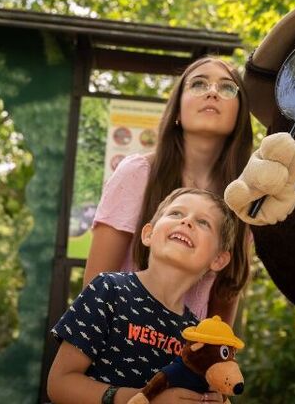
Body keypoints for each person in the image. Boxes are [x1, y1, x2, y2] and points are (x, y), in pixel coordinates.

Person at [83, 56, 253, 324]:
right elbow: (93, 293)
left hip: (187, 351)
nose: (212, 92)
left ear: (240, 115)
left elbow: (222, 310)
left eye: (227, 88)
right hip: (116, 342)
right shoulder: (137, 173)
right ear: (177, 112)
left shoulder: (245, 196)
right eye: (198, 84)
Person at [48, 188, 238, 404]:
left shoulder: (197, 337)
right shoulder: (108, 289)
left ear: (218, 260)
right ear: (148, 234)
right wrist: (144, 399)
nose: (186, 222)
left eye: (203, 222)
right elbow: (59, 384)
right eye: (176, 213)